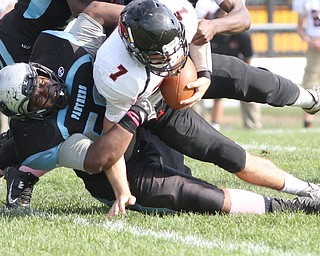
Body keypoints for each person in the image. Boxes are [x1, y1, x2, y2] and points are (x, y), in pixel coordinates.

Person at [1, 2, 320, 217]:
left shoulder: (61, 48)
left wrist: (148, 27)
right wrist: (137, 115)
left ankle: (306, 189)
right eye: (37, 98)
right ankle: (277, 206)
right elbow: (101, 156)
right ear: (29, 113)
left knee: (222, 147)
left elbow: (100, 11)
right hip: (123, 136)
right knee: (185, 192)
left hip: (148, 98)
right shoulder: (44, 132)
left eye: (40, 81)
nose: (46, 90)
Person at [209, 8, 261, 130]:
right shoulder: (210, 34)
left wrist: (245, 74)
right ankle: (213, 124)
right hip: (215, 71)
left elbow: (248, 58)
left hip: (239, 69)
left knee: (251, 89)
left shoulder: (242, 35)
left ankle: (253, 124)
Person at [293, 0, 320, 128]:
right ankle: (308, 122)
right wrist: (310, 41)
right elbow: (299, 27)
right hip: (313, 46)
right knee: (311, 82)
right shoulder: (303, 1)